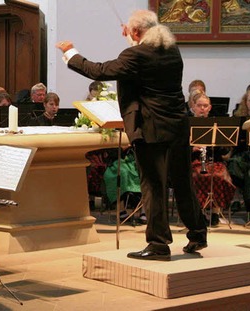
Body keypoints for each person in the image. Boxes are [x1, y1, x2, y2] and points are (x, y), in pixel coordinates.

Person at [57, 9, 208, 260]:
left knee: (153, 187)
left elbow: (99, 70)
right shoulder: (171, 50)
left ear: (136, 32)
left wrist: (70, 51)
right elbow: (143, 61)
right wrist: (132, 37)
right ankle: (198, 233)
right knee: (183, 183)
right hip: (178, 126)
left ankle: (159, 245)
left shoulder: (136, 54)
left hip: (151, 129)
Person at [188, 92, 235, 226]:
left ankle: (215, 212)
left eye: (205, 106)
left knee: (220, 176)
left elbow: (225, 150)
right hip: (194, 161)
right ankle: (199, 213)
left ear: (210, 107)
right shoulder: (187, 124)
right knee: (198, 176)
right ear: (193, 107)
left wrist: (216, 143)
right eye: (199, 106)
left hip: (214, 161)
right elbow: (178, 146)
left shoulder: (217, 125)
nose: (202, 108)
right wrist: (192, 148)